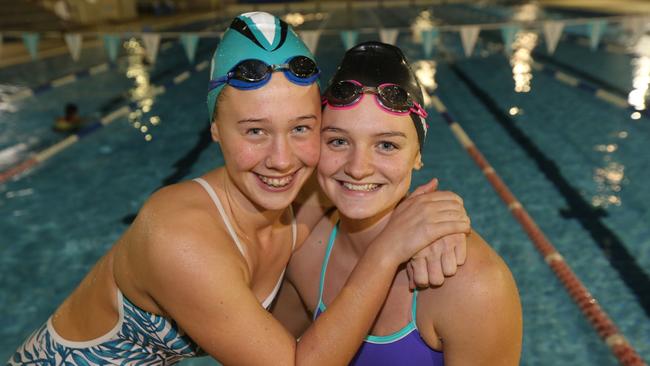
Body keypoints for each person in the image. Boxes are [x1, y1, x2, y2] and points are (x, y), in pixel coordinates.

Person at [9, 14, 470, 365]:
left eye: (302, 128)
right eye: (254, 132)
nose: (282, 160)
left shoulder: (304, 193)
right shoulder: (178, 235)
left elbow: (370, 176)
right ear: (214, 130)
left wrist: (435, 217)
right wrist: (388, 252)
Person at [273, 42, 523, 365]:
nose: (357, 167)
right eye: (338, 140)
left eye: (387, 145)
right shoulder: (304, 249)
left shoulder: (473, 286)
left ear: (417, 155)